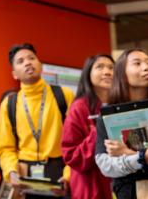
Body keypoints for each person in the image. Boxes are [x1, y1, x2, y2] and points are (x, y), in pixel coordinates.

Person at [0, 43, 74, 198]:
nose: (28, 62)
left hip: (59, 173)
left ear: (40, 65)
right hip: (24, 176)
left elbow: (76, 143)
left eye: (32, 58)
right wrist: (11, 172)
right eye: (20, 61)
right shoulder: (10, 103)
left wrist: (68, 176)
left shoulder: (64, 95)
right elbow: (5, 149)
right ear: (14, 74)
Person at [94, 49, 148, 199]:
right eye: (137, 63)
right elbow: (106, 165)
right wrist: (145, 157)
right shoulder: (108, 115)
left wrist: (127, 153)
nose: (147, 67)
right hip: (127, 192)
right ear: (121, 73)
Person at [62, 54, 114, 199]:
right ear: (88, 74)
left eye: (111, 67)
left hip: (120, 186)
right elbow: (71, 156)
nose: (107, 72)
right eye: (100, 67)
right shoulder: (78, 107)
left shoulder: (121, 103)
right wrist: (98, 132)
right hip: (91, 188)